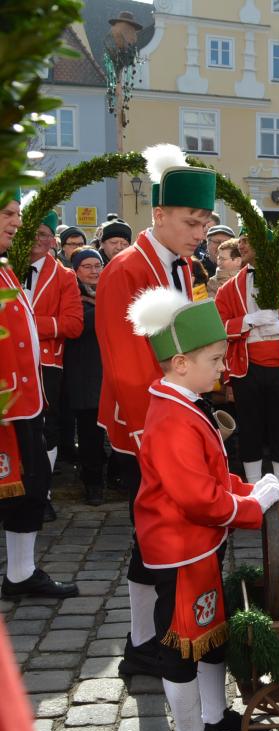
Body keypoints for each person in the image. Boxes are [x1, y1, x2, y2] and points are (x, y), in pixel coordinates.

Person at [126, 288, 279, 731]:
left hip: (196, 546)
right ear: (178, 363)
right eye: (215, 359)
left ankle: (216, 718)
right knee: (182, 645)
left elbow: (210, 475)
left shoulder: (185, 399)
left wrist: (246, 487)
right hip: (181, 550)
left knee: (209, 634)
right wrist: (251, 508)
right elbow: (197, 498)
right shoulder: (174, 417)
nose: (223, 368)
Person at [96, 145, 221, 676]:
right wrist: (157, 435)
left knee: (153, 540)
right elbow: (126, 365)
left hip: (177, 418)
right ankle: (146, 643)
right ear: (160, 215)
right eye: (191, 223)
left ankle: (143, 640)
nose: (199, 234)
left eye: (205, 224)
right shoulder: (126, 270)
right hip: (146, 427)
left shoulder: (185, 264)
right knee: (151, 537)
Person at [0, 193, 77, 600]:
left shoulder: (6, 269)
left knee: (30, 488)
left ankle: (20, 573)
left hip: (24, 402)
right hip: (7, 406)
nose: (16, 222)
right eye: (8, 214)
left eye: (17, 214)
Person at [214, 221, 279, 486]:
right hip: (245, 369)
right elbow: (218, 328)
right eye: (241, 241)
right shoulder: (229, 288)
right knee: (250, 429)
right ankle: (252, 485)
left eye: (249, 240)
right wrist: (246, 321)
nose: (242, 245)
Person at [22, 201, 83, 511]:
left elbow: (73, 324)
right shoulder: (6, 267)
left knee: (46, 427)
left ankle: (43, 494)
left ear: (53, 240)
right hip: (9, 360)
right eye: (32, 232)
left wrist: (27, 322)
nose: (38, 239)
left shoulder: (63, 276)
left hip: (46, 363)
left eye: (45, 234)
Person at [66, 248, 107, 505]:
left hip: (108, 370)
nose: (94, 271)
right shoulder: (72, 295)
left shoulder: (110, 293)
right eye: (87, 267)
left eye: (97, 265)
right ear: (77, 271)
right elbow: (76, 326)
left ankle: (113, 475)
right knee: (90, 433)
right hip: (84, 372)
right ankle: (92, 483)